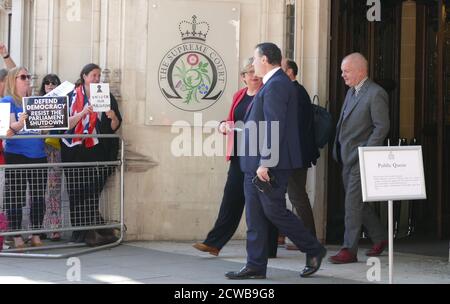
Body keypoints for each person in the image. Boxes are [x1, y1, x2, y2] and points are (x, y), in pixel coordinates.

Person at [225, 43, 326, 280]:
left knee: (274, 212)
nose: (252, 64)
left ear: (265, 60)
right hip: (253, 164)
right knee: (255, 216)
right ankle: (255, 265)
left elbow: (273, 125)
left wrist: (266, 162)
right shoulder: (271, 84)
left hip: (268, 165)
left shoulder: (277, 85)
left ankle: (313, 249)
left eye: (255, 58)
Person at [192, 58, 279, 258]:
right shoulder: (239, 95)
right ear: (243, 77)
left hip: (260, 156)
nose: (254, 76)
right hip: (239, 155)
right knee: (231, 198)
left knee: (265, 202)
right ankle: (214, 243)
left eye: (255, 71)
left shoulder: (268, 93)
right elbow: (232, 119)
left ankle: (269, 247)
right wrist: (224, 125)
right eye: (249, 72)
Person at [329, 53, 389, 264]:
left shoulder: (375, 93)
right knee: (357, 203)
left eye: (346, 71)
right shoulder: (353, 91)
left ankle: (349, 249)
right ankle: (380, 238)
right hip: (346, 157)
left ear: (360, 71)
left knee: (351, 204)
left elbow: (382, 127)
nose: (342, 75)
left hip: (361, 157)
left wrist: (366, 152)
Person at [61, 63, 122, 244]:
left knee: (92, 190)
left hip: (95, 148)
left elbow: (114, 126)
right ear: (84, 76)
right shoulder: (71, 96)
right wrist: (82, 113)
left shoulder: (106, 96)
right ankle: (79, 232)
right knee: (75, 190)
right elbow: (64, 124)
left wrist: (112, 117)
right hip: (72, 148)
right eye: (93, 75)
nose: (97, 79)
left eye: (98, 75)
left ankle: (90, 229)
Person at [1, 67, 47, 249]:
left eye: (29, 76)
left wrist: (49, 124)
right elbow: (6, 132)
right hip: (17, 155)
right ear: (14, 80)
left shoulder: (35, 102)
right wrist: (20, 123)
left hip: (38, 154)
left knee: (38, 196)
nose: (27, 79)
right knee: (15, 196)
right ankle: (16, 235)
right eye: (23, 77)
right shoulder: (7, 100)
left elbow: (43, 130)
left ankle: (36, 233)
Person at [281, 59, 319, 250]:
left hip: (295, 156)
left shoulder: (295, 92)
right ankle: (283, 234)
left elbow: (293, 128)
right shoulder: (295, 91)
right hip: (293, 154)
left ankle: (308, 238)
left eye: (281, 69)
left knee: (297, 196)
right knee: (286, 195)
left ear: (289, 72)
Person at [39, 74, 63, 241]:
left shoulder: (63, 103)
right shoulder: (36, 103)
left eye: (53, 83)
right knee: (38, 190)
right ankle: (38, 228)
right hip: (39, 150)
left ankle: (54, 227)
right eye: (46, 83)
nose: (49, 85)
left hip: (55, 148)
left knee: (54, 190)